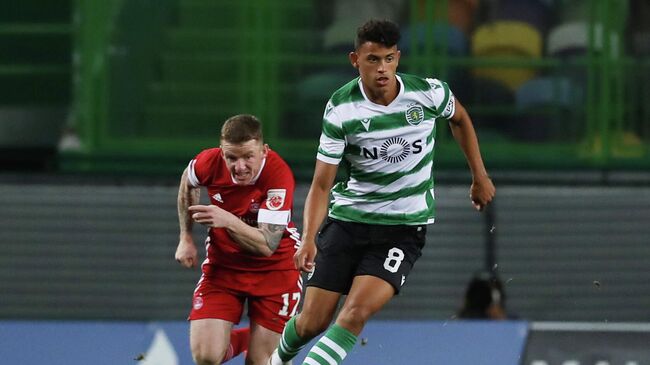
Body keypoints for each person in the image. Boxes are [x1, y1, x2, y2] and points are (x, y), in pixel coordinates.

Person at [267, 19, 495, 365]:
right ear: (355, 60)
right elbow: (322, 183)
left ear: (399, 58)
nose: (383, 69)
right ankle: (276, 360)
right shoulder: (341, 108)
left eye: (389, 59)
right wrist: (309, 238)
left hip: (401, 230)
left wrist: (479, 176)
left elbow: (459, 118)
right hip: (347, 222)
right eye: (373, 59)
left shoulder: (428, 93)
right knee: (312, 323)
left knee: (355, 314)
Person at [175, 114, 303, 365]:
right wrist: (185, 236)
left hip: (275, 270)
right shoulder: (208, 162)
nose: (240, 166)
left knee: (259, 363)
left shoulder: (278, 175)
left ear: (263, 151)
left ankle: (258, 345)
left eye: (248, 156)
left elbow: (267, 245)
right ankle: (246, 340)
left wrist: (228, 220)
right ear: (222, 151)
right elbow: (187, 183)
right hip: (224, 268)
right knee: (206, 357)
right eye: (231, 157)